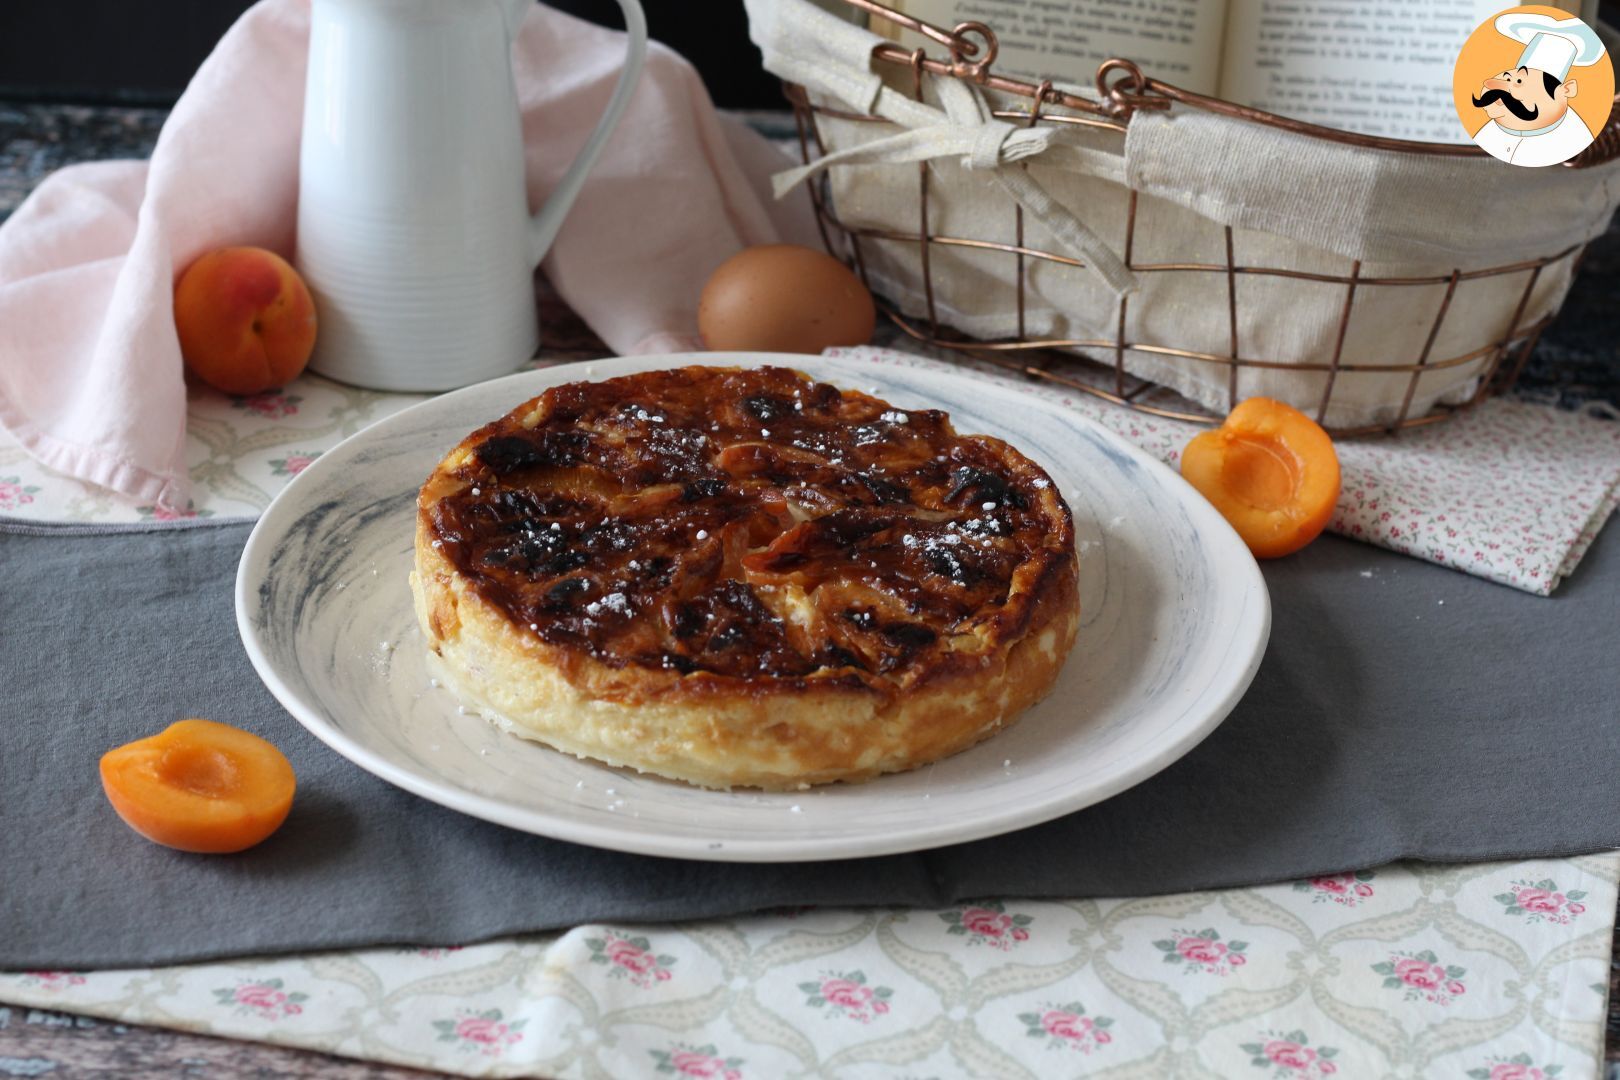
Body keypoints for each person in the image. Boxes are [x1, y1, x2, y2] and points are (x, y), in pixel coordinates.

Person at [1468, 12, 1607, 167]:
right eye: (1507, 77)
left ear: (1565, 91)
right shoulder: (1489, 129)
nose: (1500, 87)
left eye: (1520, 81)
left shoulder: (1575, 141)